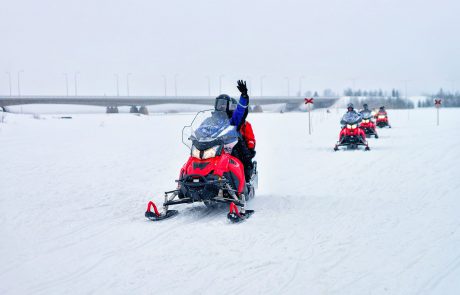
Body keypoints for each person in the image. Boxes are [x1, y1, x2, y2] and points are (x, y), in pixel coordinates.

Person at [214, 80, 256, 182]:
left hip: (231, 146)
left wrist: (244, 96)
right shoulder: (211, 120)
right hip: (214, 148)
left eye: (224, 105)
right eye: (219, 104)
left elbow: (240, 111)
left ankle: (244, 177)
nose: (221, 107)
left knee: (241, 154)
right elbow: (201, 129)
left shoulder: (232, 120)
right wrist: (195, 136)